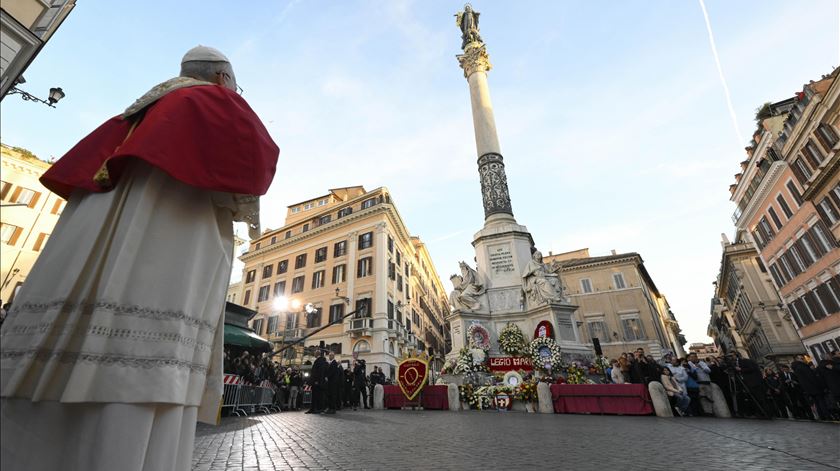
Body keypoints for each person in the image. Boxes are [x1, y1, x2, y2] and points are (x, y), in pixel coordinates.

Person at [0, 46, 278, 471]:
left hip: (93, 240)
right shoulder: (213, 103)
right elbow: (257, 163)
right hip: (170, 237)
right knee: (143, 371)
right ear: (223, 80)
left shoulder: (136, 115)